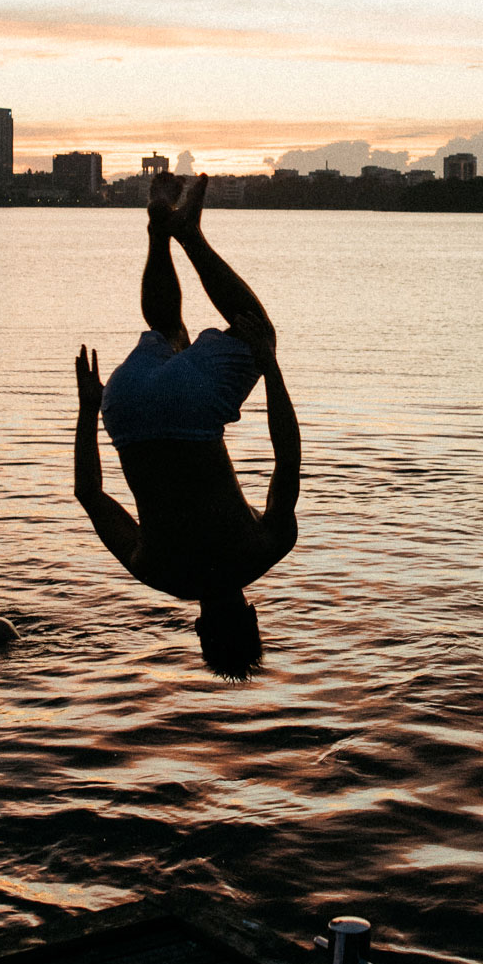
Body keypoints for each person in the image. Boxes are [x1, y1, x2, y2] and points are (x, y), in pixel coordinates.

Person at [73, 173, 299, 651]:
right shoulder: (152, 571)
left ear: (252, 617)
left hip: (192, 411)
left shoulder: (265, 549)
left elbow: (287, 460)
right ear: (199, 630)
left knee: (258, 329)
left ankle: (187, 235)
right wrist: (90, 408)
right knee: (168, 333)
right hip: (125, 408)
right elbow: (89, 494)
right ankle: (158, 230)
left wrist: (270, 365)